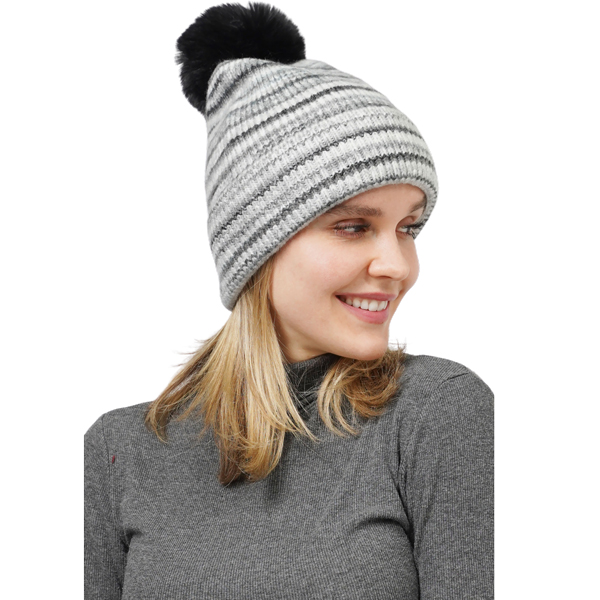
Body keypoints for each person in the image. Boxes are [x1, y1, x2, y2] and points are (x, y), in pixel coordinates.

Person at [84, 3, 494, 599]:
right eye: (353, 226)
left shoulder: (437, 414)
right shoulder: (118, 453)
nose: (399, 266)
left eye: (408, 228)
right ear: (257, 244)